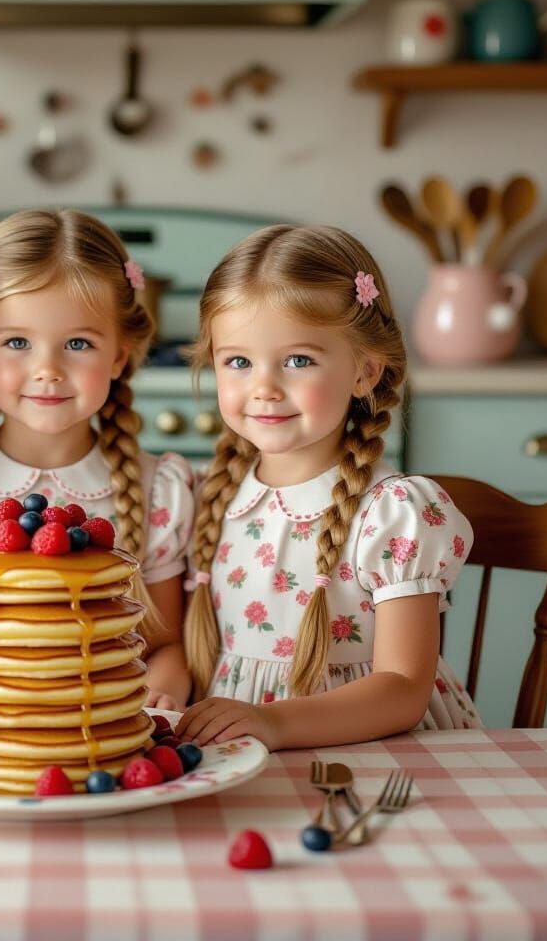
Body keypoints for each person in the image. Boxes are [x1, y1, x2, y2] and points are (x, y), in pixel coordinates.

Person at [177, 224, 482, 751]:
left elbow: (404, 689)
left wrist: (273, 722)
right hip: (235, 754)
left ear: (364, 371)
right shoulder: (212, 496)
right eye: (238, 361)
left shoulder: (393, 514)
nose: (264, 387)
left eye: (298, 360)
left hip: (372, 752)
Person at [0, 209, 194, 711]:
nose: (47, 370)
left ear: (120, 354)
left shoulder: (159, 491)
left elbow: (164, 647)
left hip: (101, 738)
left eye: (78, 343)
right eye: (17, 342)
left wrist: (162, 690)